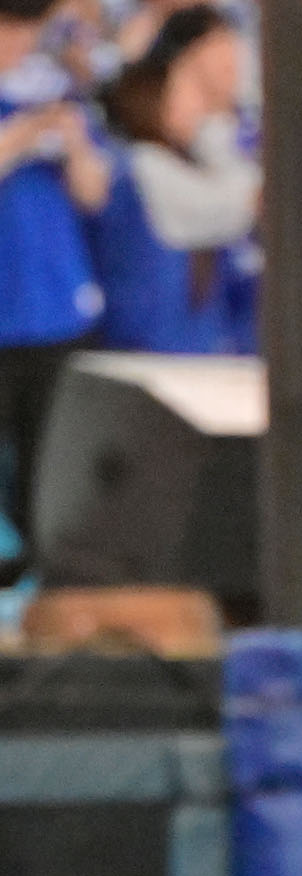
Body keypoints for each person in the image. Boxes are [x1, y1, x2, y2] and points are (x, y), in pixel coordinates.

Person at [0, 0, 111, 567]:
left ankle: (42, 576)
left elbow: (94, 193)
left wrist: (71, 139)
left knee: (50, 463)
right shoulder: (25, 110)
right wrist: (25, 131)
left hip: (56, 310)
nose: (17, 43)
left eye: (25, 30)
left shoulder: (57, 95)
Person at [89, 4, 258, 353]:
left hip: (204, 349)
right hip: (148, 352)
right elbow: (237, 203)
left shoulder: (200, 154)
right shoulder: (140, 163)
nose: (235, 73)